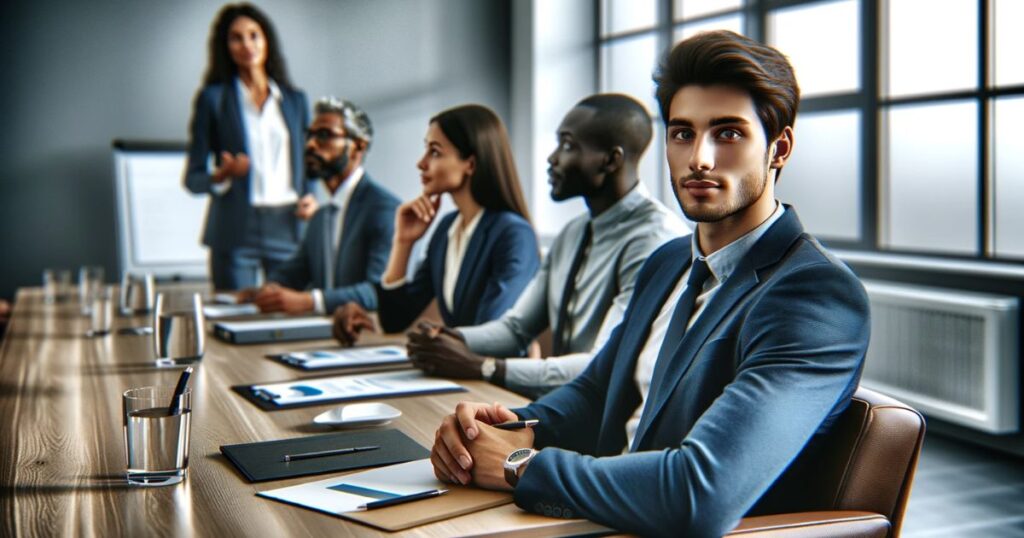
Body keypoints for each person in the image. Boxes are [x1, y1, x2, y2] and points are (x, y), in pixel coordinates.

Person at [427, 30, 871, 537]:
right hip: (598, 516)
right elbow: (596, 395)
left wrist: (518, 464)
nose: (699, 158)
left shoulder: (816, 294)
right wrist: (500, 429)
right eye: (682, 133)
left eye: (727, 134)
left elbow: (700, 493)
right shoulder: (666, 264)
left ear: (779, 148)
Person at [406, 94, 686, 399]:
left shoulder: (655, 239)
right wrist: (446, 337)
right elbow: (516, 329)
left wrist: (484, 367)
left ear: (611, 160)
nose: (553, 158)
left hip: (613, 432)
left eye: (567, 145)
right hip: (562, 410)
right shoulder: (573, 232)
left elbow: (602, 365)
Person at [332, 105, 540, 343]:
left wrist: (433, 336)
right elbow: (394, 321)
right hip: (457, 370)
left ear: (470, 164)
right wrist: (403, 242)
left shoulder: (512, 233)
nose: (421, 163)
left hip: (490, 376)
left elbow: (493, 329)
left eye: (435, 152)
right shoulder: (447, 228)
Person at [184, 3, 314, 291]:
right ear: (225, 46)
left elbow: (309, 161)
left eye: (254, 35)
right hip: (235, 231)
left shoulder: (294, 100)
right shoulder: (213, 99)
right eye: (236, 37)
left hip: (289, 225)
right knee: (233, 320)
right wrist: (222, 175)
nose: (247, 44)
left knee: (290, 321)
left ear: (267, 40)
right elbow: (192, 178)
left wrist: (311, 197)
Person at [237, 98, 399, 314]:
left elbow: (379, 292)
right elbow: (296, 271)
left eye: (324, 135)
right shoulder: (322, 216)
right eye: (310, 135)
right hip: (324, 334)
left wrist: (309, 301)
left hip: (368, 336)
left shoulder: (385, 210)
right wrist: (266, 290)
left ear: (358, 146)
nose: (310, 144)